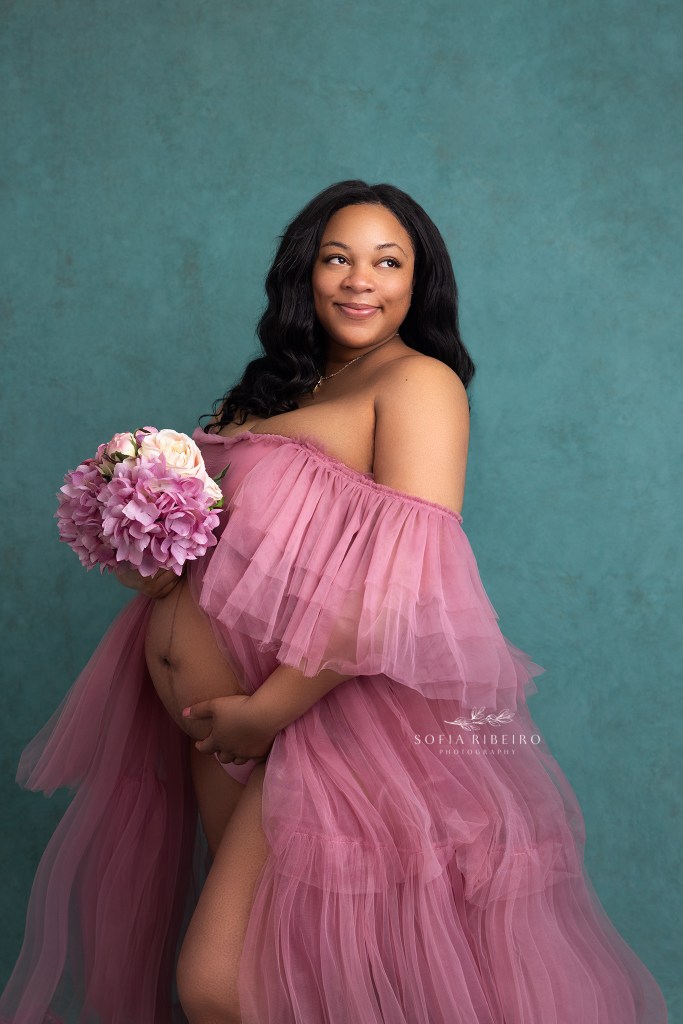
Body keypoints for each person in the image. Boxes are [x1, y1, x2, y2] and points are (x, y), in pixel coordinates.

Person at [0, 180, 668, 1024]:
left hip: (311, 721)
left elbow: (407, 580)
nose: (361, 280)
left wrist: (266, 713)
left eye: (388, 262)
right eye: (337, 258)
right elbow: (212, 561)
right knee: (285, 980)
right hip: (214, 727)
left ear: (417, 281)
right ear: (304, 273)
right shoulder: (276, 392)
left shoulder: (418, 384)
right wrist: (139, 537)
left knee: (220, 984)